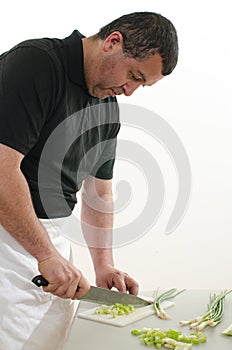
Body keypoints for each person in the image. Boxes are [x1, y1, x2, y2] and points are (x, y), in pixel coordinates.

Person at [0, 11, 178, 350]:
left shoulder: (107, 106)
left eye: (142, 85)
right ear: (113, 42)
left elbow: (99, 193)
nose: (130, 91)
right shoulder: (36, 65)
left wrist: (103, 263)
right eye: (134, 75)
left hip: (49, 244)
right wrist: (45, 254)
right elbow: (1, 169)